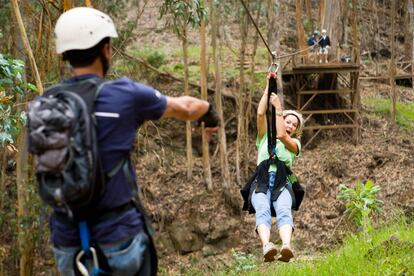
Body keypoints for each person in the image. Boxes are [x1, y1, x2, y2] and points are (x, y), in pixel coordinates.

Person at [44, 7, 218, 275]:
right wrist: (209, 112)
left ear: (64, 53)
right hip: (119, 237)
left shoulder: (46, 102)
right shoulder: (125, 95)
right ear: (106, 49)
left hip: (67, 242)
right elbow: (185, 108)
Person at [252, 77, 304, 262]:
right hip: (262, 179)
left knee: (283, 211)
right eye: (287, 121)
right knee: (262, 209)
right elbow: (260, 114)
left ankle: (286, 245)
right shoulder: (264, 136)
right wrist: (268, 86)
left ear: (296, 130)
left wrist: (279, 109)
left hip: (282, 182)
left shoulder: (295, 144)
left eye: (293, 124)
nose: (289, 125)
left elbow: (281, 134)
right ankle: (267, 246)